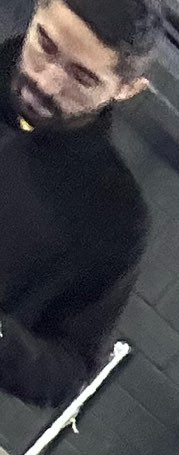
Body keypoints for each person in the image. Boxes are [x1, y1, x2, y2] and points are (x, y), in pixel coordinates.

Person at [0, 0, 157, 408]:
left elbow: (71, 369)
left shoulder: (113, 216)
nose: (47, 83)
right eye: (45, 46)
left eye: (82, 78)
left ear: (127, 89)